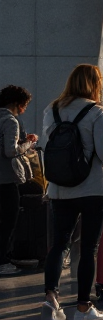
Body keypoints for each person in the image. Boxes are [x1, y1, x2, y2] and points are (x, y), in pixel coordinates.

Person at [40, 65, 103, 320]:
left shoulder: (52, 109)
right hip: (92, 189)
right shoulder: (96, 111)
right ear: (95, 84)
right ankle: (83, 308)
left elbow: (47, 146)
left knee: (59, 244)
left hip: (59, 189)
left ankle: (51, 301)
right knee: (89, 248)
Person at [0, 85, 37, 276]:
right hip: (5, 179)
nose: (24, 109)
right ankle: (3, 261)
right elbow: (10, 151)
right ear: (17, 103)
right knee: (8, 220)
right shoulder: (10, 121)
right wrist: (29, 143)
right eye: (24, 105)